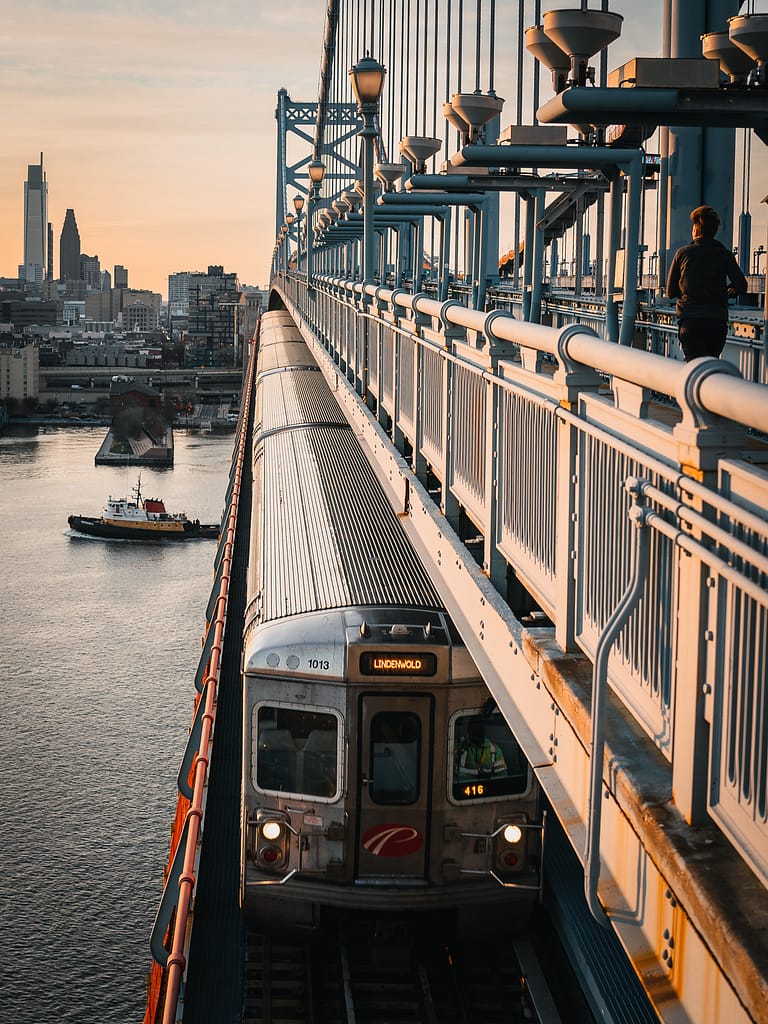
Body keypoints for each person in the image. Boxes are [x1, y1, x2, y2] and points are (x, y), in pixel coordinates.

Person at [665, 205, 748, 362]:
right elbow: (742, 285)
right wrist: (730, 290)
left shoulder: (682, 253)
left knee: (694, 366)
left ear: (696, 231)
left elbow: (670, 292)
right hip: (716, 321)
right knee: (710, 366)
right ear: (714, 231)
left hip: (690, 321)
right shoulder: (724, 254)